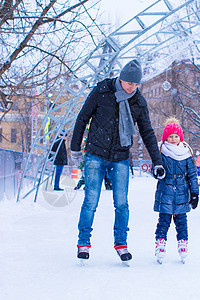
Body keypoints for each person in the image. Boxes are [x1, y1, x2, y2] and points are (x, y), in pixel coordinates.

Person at [70, 59, 165, 262]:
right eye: (128, 83)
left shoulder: (138, 102)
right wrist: (75, 148)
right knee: (90, 201)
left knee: (121, 203)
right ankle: (83, 243)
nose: (131, 87)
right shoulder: (102, 91)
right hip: (95, 154)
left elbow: (147, 132)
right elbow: (82, 118)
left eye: (135, 84)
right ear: (120, 78)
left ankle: (121, 243)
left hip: (120, 157)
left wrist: (157, 161)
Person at [153, 117, 199, 264]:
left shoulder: (186, 153)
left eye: (176, 136)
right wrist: (157, 172)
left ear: (180, 137)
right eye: (170, 136)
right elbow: (155, 168)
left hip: (181, 191)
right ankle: (160, 243)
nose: (173, 139)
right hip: (165, 190)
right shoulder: (161, 151)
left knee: (181, 220)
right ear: (166, 138)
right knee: (164, 220)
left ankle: (183, 243)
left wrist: (195, 193)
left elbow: (192, 175)